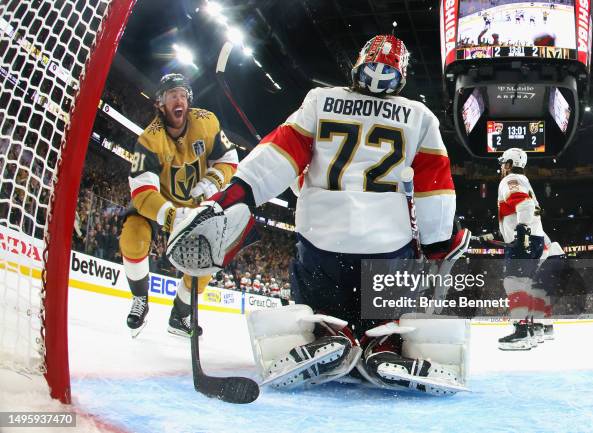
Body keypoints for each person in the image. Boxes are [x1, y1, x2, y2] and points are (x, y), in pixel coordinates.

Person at [168, 35, 470, 394]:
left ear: (359, 61)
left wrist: (237, 196)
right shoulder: (420, 117)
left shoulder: (320, 100)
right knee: (390, 308)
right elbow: (434, 190)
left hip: (321, 243)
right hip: (388, 250)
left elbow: (278, 157)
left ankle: (329, 331)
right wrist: (438, 244)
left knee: (319, 302)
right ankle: (386, 342)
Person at [119, 73, 238, 337]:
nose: (179, 99)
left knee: (210, 259)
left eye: (183, 94)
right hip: (159, 204)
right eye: (172, 94)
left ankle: (180, 315)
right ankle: (140, 299)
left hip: (195, 204)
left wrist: (210, 183)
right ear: (160, 103)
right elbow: (142, 193)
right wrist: (172, 216)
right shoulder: (148, 140)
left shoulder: (206, 123)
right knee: (132, 235)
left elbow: (229, 158)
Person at [496, 148, 551, 350]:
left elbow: (525, 205)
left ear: (510, 164)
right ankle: (531, 329)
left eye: (504, 163)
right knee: (526, 284)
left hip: (524, 240)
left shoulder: (509, 181)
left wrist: (521, 231)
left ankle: (521, 333)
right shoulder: (525, 181)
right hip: (535, 238)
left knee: (514, 283)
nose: (501, 167)